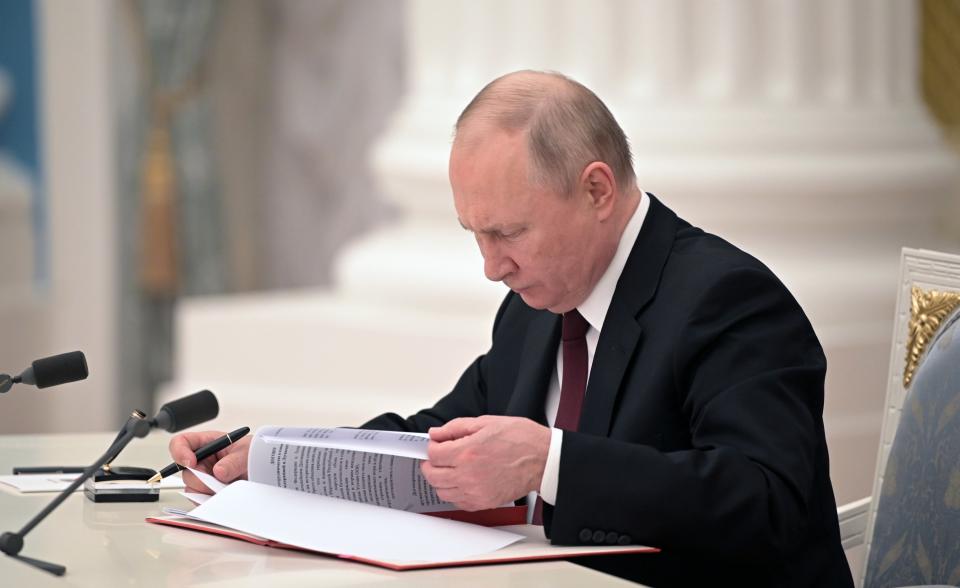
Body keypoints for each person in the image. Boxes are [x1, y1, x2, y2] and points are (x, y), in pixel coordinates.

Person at [169, 70, 854, 587]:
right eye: (475, 235)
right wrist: (271, 461)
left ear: (596, 190)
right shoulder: (533, 306)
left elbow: (767, 504)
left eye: (509, 232)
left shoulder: (727, 298)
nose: (493, 266)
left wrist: (547, 462)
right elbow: (439, 437)